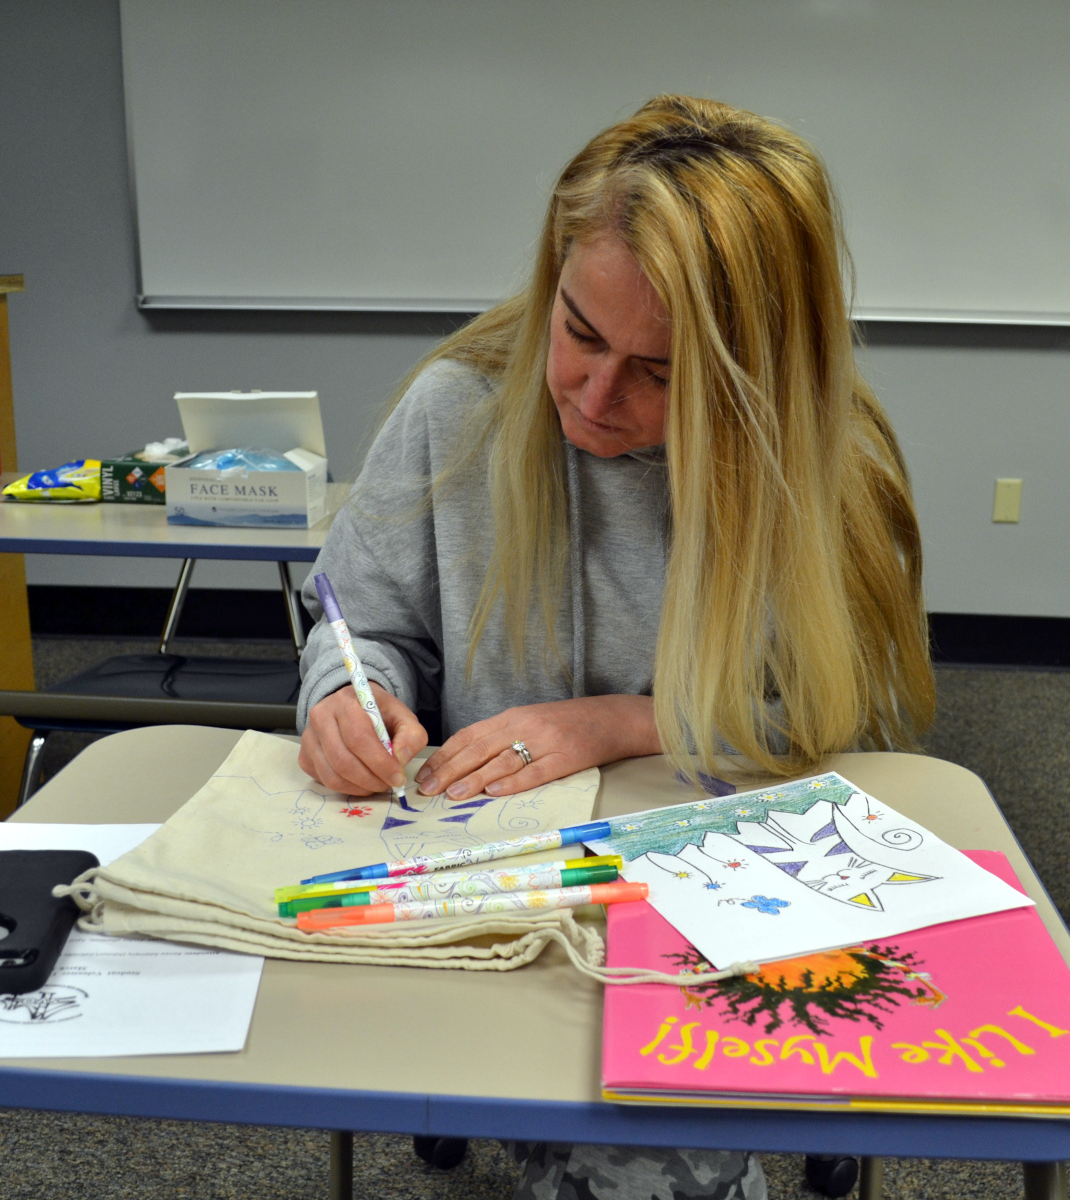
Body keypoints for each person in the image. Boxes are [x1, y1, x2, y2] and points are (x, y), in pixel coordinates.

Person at [296, 95, 935, 1200]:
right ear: (552, 282)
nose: (596, 397)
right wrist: (349, 698)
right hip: (485, 873)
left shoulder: (823, 463)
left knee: (655, 1156)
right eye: (580, 334)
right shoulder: (456, 412)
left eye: (661, 372)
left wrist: (618, 720)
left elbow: (850, 718)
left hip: (716, 884)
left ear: (755, 372)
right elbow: (364, 623)